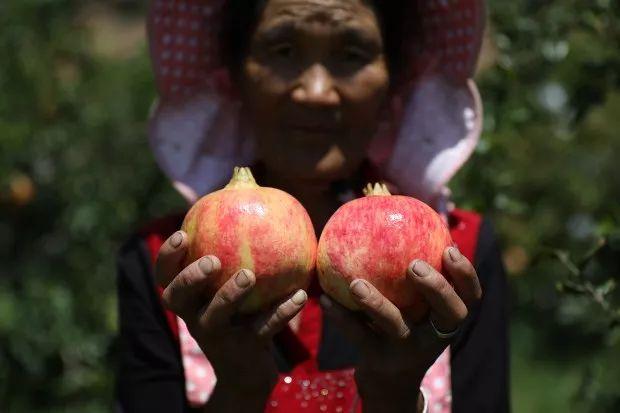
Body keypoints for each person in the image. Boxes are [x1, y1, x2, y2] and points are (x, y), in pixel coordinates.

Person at [116, 0, 509, 412]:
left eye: (352, 55)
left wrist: (394, 397)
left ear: (396, 77)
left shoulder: (456, 259)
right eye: (284, 51)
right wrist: (239, 389)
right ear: (234, 74)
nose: (316, 92)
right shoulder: (168, 265)